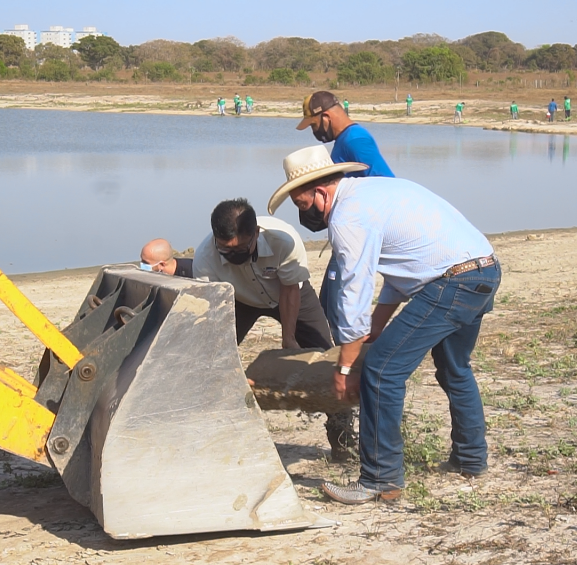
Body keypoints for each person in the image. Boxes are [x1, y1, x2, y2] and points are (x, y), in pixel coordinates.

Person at [268, 144, 500, 504]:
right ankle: (470, 460)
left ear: (320, 191)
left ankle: (380, 479)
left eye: (302, 205)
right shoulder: (374, 190)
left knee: (381, 371)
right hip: (482, 270)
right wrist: (377, 325)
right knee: (455, 369)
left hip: (450, 283)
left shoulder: (348, 216)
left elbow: (354, 289)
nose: (305, 216)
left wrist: (346, 364)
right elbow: (404, 266)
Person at [194, 198, 356, 461]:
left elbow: (290, 289)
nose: (234, 256)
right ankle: (215, 435)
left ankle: (343, 441)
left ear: (256, 234)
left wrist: (289, 339)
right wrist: (225, 363)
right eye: (226, 251)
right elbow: (213, 312)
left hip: (290, 293)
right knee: (210, 360)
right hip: (240, 299)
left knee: (328, 360)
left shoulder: (285, 240)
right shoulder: (204, 259)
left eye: (242, 249)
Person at [294, 90, 394, 345]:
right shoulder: (344, 141)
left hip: (356, 234)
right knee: (329, 303)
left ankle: (351, 366)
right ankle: (344, 362)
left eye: (314, 125)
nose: (315, 132)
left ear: (326, 116)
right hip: (346, 233)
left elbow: (385, 184)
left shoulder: (356, 140)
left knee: (340, 306)